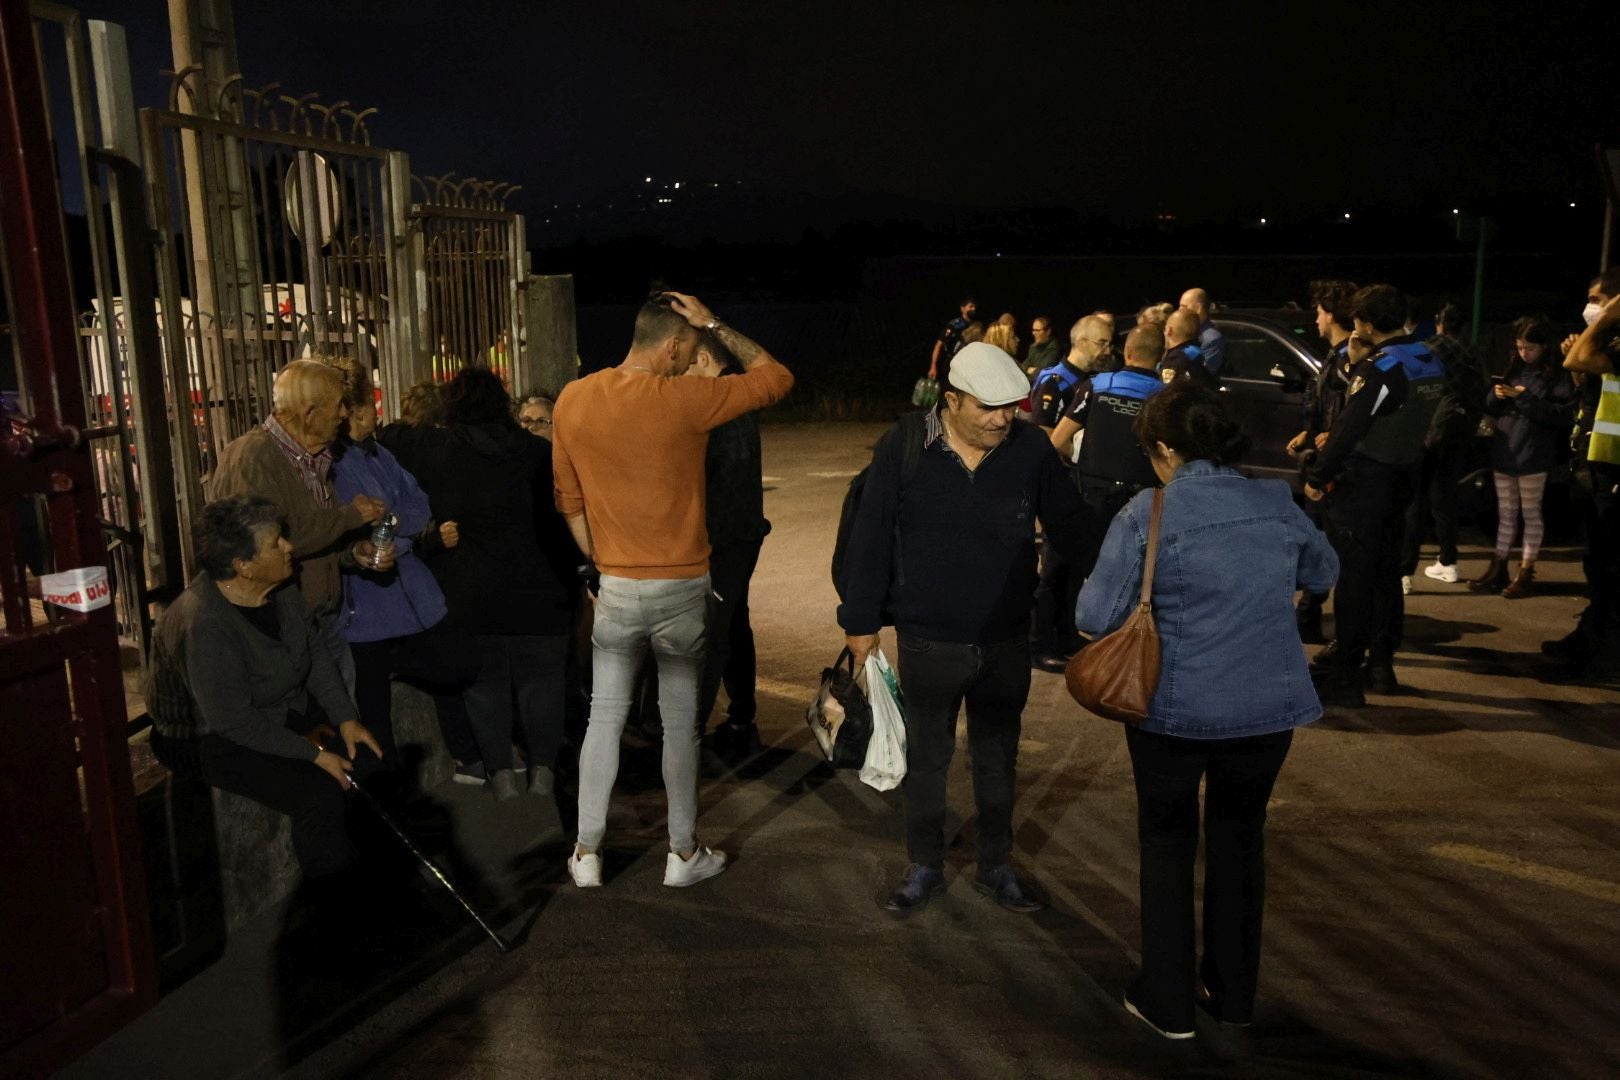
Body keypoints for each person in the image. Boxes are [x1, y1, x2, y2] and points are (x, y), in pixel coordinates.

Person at [1075, 380, 1338, 1040]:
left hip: (1172, 710)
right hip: (1265, 710)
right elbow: (1325, 570)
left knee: (1167, 846)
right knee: (1240, 843)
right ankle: (1232, 994)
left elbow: (1094, 616)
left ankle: (1167, 1003)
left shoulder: (1147, 512)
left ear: (1165, 448)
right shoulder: (1275, 501)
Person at [553, 291, 794, 890]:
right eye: (688, 350)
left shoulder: (573, 398)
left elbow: (570, 498)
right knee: (680, 722)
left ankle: (586, 852)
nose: (690, 360)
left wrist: (600, 558)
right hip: (681, 586)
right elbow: (776, 377)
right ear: (673, 344)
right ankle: (681, 854)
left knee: (603, 719)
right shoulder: (685, 402)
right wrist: (714, 318)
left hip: (616, 584)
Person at [838, 341, 1085, 916]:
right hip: (928, 637)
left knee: (998, 756)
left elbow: (1074, 530)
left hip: (1004, 639)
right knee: (928, 757)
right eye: (989, 407)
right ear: (951, 400)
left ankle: (997, 864)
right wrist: (860, 621)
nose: (1004, 418)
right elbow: (869, 536)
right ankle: (924, 864)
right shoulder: (904, 445)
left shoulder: (1029, 450)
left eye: (1012, 406)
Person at [145, 496, 384, 879]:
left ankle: (373, 868)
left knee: (365, 757)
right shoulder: (204, 623)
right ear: (243, 566)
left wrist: (345, 719)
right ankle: (336, 899)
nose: (289, 547)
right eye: (276, 543)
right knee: (318, 793)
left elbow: (315, 652)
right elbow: (233, 722)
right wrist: (311, 754)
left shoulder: (281, 591)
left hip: (269, 706)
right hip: (204, 737)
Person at [382, 368, 580, 801]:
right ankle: (543, 772)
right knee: (542, 684)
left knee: (484, 684)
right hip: (542, 590)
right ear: (502, 405)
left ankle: (501, 774)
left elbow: (390, 437)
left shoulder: (439, 450)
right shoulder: (536, 452)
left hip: (474, 594)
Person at [321, 355, 481, 796]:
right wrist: (396, 530)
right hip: (365, 613)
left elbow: (417, 504)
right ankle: (389, 802)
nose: (366, 414)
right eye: (357, 408)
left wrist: (391, 528)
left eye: (366, 405)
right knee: (373, 720)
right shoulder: (334, 463)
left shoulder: (379, 453)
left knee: (457, 665)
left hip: (408, 599)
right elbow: (349, 526)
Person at [208, 359, 390, 693]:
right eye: (338, 406)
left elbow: (314, 538)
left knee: (343, 729)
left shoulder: (313, 457)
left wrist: (353, 554)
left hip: (321, 624)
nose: (345, 414)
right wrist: (350, 517)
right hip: (279, 631)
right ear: (309, 413)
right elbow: (269, 544)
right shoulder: (253, 458)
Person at [1303, 285, 1446, 706]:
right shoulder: (1427, 359)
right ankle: (1381, 664)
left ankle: (1345, 675)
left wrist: (1318, 472)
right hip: (1405, 477)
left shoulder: (1381, 368)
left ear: (1364, 324)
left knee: (1355, 580)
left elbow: (1351, 427)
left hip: (1366, 482)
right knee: (1386, 576)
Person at [684, 332, 770, 758]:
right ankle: (740, 719)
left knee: (711, 634)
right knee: (733, 625)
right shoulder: (731, 399)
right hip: (738, 536)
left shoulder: (725, 403)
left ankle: (689, 737)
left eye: (684, 364)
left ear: (703, 358)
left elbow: (728, 482)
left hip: (726, 541)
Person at [1026, 315, 1113, 670]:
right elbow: (1042, 434)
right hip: (1057, 483)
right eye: (1101, 343)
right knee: (1054, 567)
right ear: (1080, 342)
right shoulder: (1055, 381)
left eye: (1109, 342)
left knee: (1074, 564)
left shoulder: (1091, 381)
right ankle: (1038, 643)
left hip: (1080, 486)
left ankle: (1065, 633)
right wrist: (1078, 452)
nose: (1108, 349)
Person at [1469, 318, 1576, 598]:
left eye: (1530, 348)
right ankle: (1499, 568)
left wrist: (1524, 398)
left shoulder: (1557, 376)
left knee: (1530, 514)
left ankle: (1525, 572)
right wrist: (1495, 394)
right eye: (1519, 347)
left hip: (1534, 455)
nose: (1523, 353)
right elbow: (1490, 407)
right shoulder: (1514, 369)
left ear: (1544, 346)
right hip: (1505, 451)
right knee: (1505, 515)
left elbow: (1562, 415)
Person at [1054, 324, 1168, 584]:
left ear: (1127, 351)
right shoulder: (1166, 397)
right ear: (1161, 357)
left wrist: (1079, 458)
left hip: (1093, 498)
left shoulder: (1097, 385)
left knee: (1088, 573)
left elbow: (1057, 440)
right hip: (1143, 502)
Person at [1552, 271, 1620, 677]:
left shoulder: (1614, 338)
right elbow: (1590, 391)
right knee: (1598, 567)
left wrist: (1603, 321)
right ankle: (1590, 638)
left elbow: (1578, 358)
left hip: (1614, 472)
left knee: (1612, 570)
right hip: (1595, 465)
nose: (1590, 304)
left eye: (1598, 298)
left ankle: (1603, 654)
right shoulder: (1608, 342)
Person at [1289, 280, 1358, 643]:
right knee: (1316, 541)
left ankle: (1309, 617)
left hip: (1335, 469)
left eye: (1318, 312)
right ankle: (1308, 616)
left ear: (1330, 315)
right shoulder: (1337, 354)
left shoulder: (1350, 356)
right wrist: (1309, 429)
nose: (1315, 319)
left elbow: (1352, 407)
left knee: (1321, 543)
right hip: (1326, 461)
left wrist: (1331, 434)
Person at [1160, 308, 1217, 389]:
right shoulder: (1196, 352)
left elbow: (1165, 391)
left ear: (1169, 330)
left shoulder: (1176, 359)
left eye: (1165, 329)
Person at [1179, 287, 1226, 375]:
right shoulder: (1183, 331)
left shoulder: (1211, 339)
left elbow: (1200, 374)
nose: (1179, 311)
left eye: (1183, 307)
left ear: (1198, 308)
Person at [929, 297, 976, 382]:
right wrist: (933, 366)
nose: (973, 309)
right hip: (951, 364)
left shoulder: (975, 326)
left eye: (974, 307)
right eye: (971, 306)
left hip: (967, 365)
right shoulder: (954, 325)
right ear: (962, 308)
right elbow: (938, 345)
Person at [1022, 315, 1061, 382]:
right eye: (1033, 330)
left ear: (1048, 332)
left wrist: (1031, 370)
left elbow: (1042, 374)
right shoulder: (1033, 347)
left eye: (1037, 330)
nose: (1034, 333)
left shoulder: (1054, 349)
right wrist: (1030, 369)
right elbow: (1023, 366)